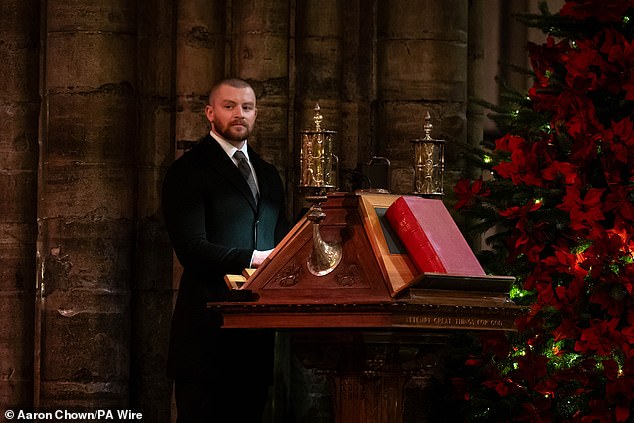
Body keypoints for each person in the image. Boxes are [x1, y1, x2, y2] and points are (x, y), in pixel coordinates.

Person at [162, 77, 290, 422]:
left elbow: (283, 242)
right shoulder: (187, 171)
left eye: (246, 107)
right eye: (229, 106)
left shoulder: (268, 174)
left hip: (256, 338)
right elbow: (191, 249)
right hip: (205, 337)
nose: (239, 114)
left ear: (255, 114)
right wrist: (254, 258)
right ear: (210, 112)